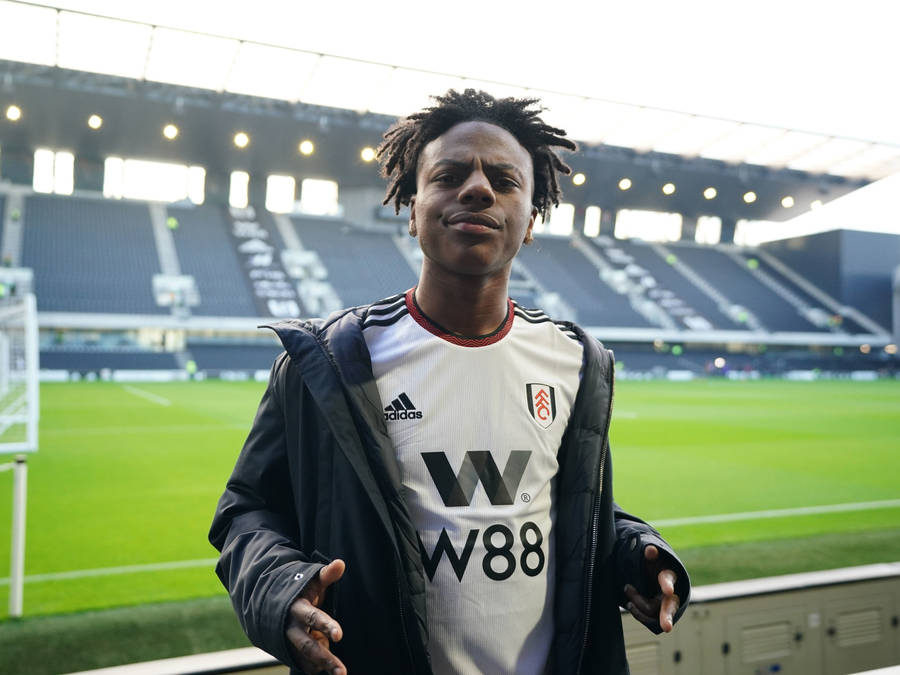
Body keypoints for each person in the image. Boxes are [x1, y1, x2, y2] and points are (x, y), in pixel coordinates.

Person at [209, 89, 690, 675]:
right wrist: (280, 590)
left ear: (532, 219)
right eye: (450, 175)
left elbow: (572, 513)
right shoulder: (332, 362)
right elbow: (246, 511)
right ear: (412, 209)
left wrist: (632, 555)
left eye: (506, 180)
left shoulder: (577, 363)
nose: (479, 189)